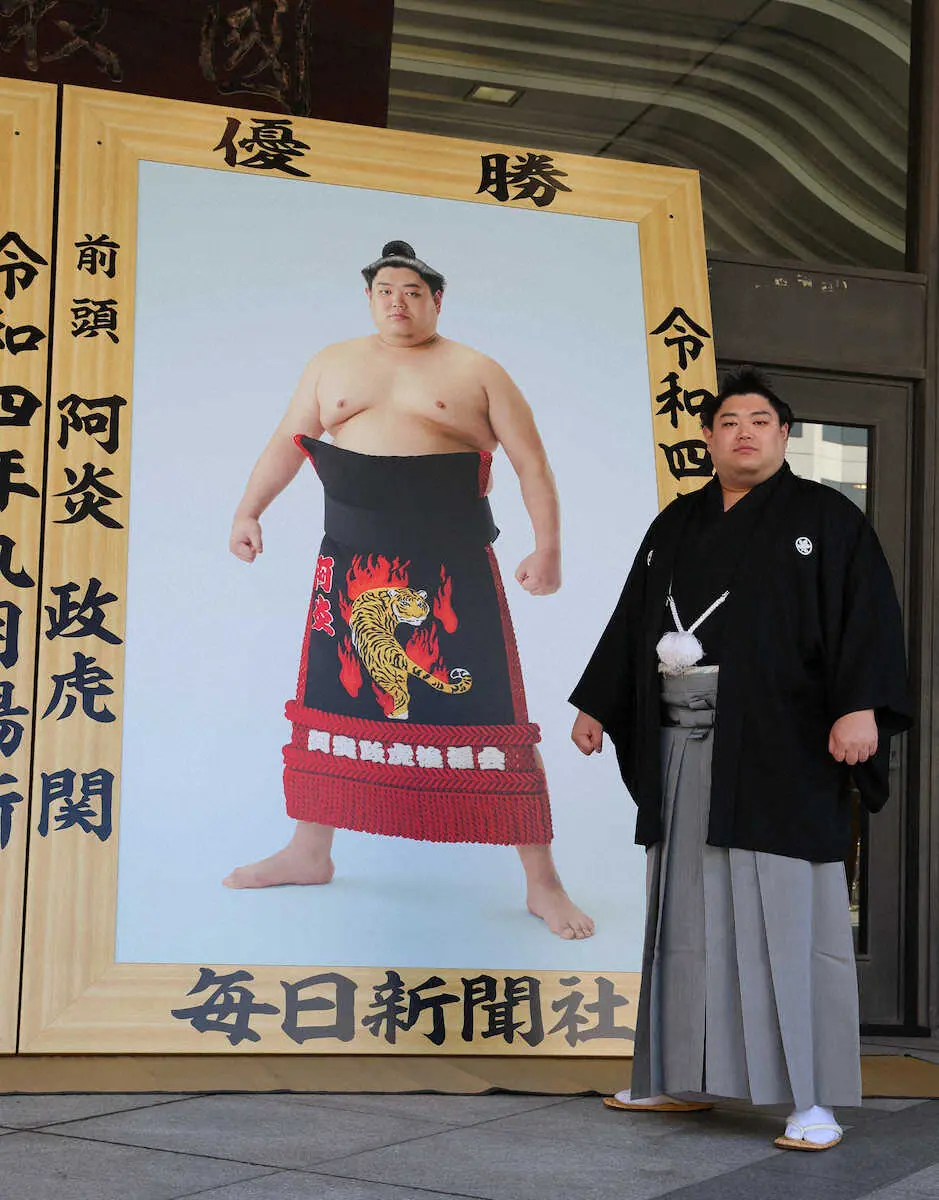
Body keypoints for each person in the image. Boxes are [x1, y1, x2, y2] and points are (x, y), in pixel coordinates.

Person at [570, 366, 911, 1147]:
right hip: (682, 748)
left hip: (782, 746)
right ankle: (676, 1077)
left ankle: (811, 1101)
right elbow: (633, 620)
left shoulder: (825, 517)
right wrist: (597, 702)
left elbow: (867, 614)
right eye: (728, 422)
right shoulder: (675, 523)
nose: (744, 433)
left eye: (760, 421)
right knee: (682, 916)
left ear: (783, 435)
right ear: (707, 438)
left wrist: (858, 705)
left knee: (789, 919)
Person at [224, 239, 593, 940]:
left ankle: (541, 883)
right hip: (350, 558)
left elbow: (531, 464)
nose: (398, 302)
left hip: (450, 563)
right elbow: (285, 444)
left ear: (437, 300)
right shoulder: (331, 363)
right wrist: (249, 511)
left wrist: (548, 549)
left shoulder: (477, 370)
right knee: (330, 698)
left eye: (413, 292)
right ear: (369, 298)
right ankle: (309, 851)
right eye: (385, 291)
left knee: (492, 711)